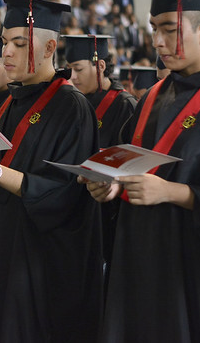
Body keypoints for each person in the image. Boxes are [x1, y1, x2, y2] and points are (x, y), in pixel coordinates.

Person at [83, 0, 200, 342]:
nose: (157, 41)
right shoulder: (151, 97)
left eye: (169, 29)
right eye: (153, 28)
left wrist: (170, 192)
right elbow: (128, 164)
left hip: (191, 275)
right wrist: (110, 187)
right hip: (136, 261)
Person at [0, 0, 102, 342]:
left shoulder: (71, 107)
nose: (6, 53)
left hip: (38, 267)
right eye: (4, 42)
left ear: (49, 46)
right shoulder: (10, 104)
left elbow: (64, 194)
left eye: (18, 44)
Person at [64, 34, 137, 282]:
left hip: (108, 213)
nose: (72, 77)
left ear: (101, 66)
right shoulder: (73, 102)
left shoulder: (125, 105)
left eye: (78, 69)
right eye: (69, 69)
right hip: (76, 208)